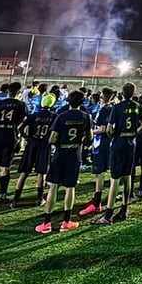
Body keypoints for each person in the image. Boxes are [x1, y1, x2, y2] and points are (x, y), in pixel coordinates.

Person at [36, 90, 92, 233]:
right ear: (82, 102)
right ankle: (66, 221)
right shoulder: (86, 117)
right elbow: (89, 137)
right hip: (74, 155)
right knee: (70, 188)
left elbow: (52, 139)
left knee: (53, 187)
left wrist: (60, 144)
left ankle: (46, 222)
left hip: (60, 154)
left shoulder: (61, 117)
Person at [96, 83, 142, 224]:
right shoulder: (138, 106)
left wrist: (115, 136)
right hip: (131, 144)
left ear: (122, 93)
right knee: (128, 176)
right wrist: (134, 134)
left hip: (118, 144)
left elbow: (109, 129)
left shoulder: (117, 107)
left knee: (115, 179)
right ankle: (124, 210)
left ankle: (108, 214)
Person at [0, 81, 26, 206]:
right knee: (5, 168)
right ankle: (2, 195)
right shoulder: (21, 105)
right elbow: (22, 123)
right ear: (18, 92)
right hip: (9, 138)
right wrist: (21, 138)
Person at [11, 104, 56, 208]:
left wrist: (25, 136)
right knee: (41, 173)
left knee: (24, 172)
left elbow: (20, 127)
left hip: (32, 143)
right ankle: (39, 198)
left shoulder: (34, 115)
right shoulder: (54, 116)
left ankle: (15, 199)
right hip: (44, 144)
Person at [79, 87, 115, 217]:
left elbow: (103, 129)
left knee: (99, 173)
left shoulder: (106, 109)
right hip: (105, 144)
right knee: (103, 173)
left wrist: (89, 132)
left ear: (103, 97)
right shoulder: (110, 108)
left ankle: (97, 203)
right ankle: (99, 201)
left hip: (102, 144)